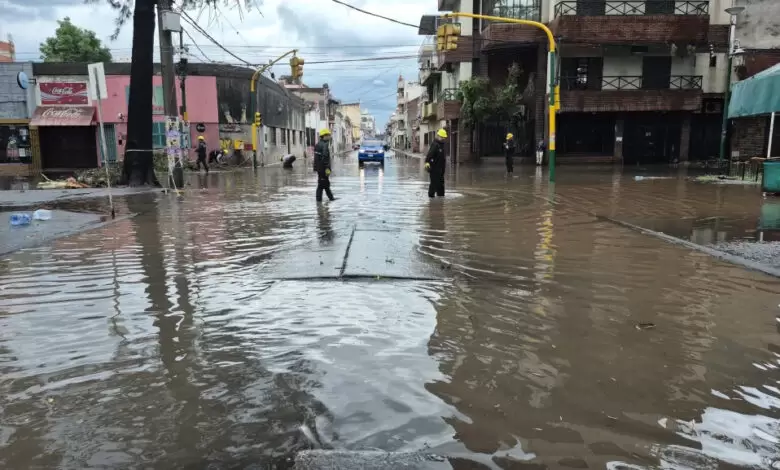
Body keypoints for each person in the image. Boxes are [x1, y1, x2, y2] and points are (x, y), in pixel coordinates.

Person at [425, 128, 448, 198]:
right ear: (439, 136)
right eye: (442, 137)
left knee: (441, 185)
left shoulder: (442, 145)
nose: (444, 138)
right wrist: (427, 163)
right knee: (434, 184)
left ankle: (441, 198)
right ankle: (431, 199)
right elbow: (429, 155)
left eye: (444, 137)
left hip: (441, 170)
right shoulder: (435, 145)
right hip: (434, 169)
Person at [314, 128, 335, 202]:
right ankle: (319, 201)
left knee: (325, 184)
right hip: (323, 169)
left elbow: (316, 159)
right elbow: (325, 158)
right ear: (324, 136)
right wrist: (327, 169)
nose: (330, 136)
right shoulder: (325, 145)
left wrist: (316, 168)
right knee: (322, 185)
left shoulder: (317, 144)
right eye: (328, 135)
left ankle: (331, 198)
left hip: (319, 168)